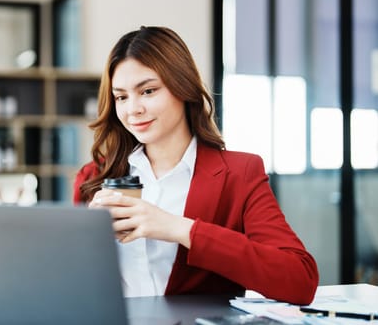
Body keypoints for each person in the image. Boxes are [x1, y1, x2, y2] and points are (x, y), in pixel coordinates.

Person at [73, 26, 319, 305]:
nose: (133, 109)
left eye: (148, 91)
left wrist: (182, 229)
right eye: (121, 97)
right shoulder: (93, 177)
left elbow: (300, 280)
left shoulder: (239, 173)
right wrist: (86, 243)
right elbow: (72, 289)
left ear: (182, 87)